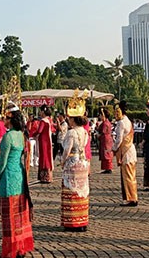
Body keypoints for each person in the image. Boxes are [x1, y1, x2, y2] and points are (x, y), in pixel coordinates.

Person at [0, 106, 34, 258]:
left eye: (6, 118)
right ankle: (20, 247)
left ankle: (12, 249)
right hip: (20, 177)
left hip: (9, 177)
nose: (4, 120)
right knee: (20, 215)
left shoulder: (8, 137)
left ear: (11, 121)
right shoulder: (21, 135)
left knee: (9, 216)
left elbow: (2, 162)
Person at [60, 98, 90, 232]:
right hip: (82, 162)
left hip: (72, 164)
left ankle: (72, 221)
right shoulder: (84, 131)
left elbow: (67, 150)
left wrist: (62, 161)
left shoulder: (71, 132)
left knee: (71, 191)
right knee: (81, 192)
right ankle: (82, 220)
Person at [113, 101, 138, 207]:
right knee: (131, 175)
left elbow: (119, 139)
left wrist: (113, 148)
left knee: (128, 176)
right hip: (130, 149)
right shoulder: (127, 120)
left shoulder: (121, 123)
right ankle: (132, 197)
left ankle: (131, 198)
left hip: (126, 151)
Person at [30, 106, 54, 183]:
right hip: (47, 141)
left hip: (43, 141)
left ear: (43, 112)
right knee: (47, 156)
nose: (40, 113)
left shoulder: (43, 121)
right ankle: (48, 175)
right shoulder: (48, 120)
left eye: (40, 111)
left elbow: (39, 131)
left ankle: (44, 176)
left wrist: (32, 134)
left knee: (44, 157)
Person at [97, 109, 113, 174]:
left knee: (106, 153)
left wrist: (99, 136)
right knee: (106, 153)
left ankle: (108, 168)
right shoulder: (106, 122)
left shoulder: (105, 123)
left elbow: (103, 132)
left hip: (105, 139)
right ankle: (107, 167)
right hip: (106, 139)